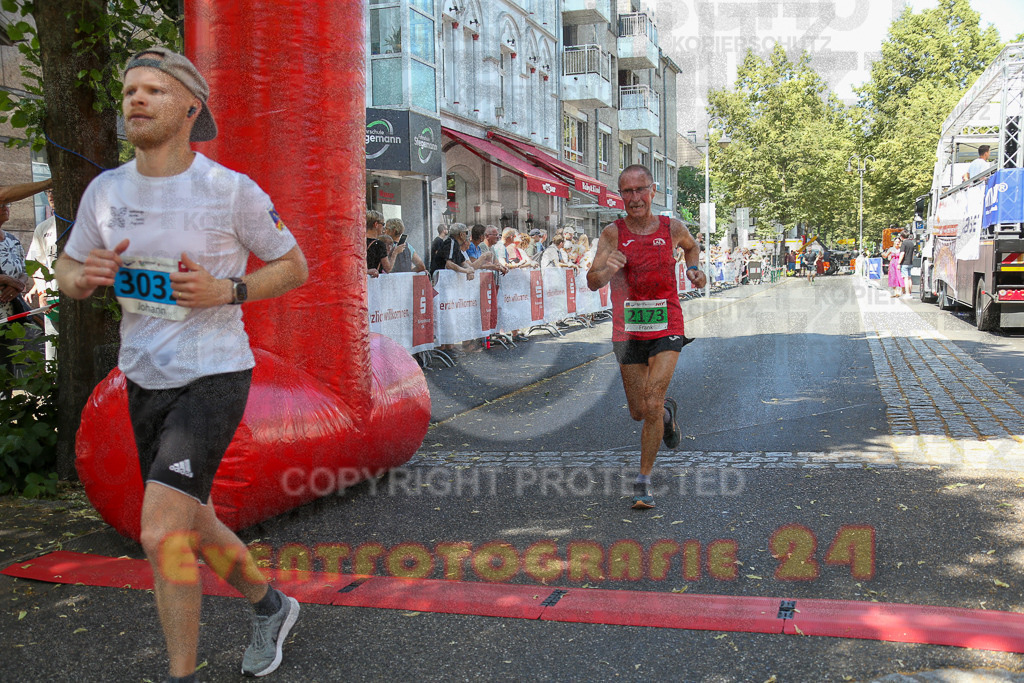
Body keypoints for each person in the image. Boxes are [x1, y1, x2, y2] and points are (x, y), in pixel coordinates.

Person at [54, 47, 308, 682]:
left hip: (214, 371)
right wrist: (82, 277)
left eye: (154, 91)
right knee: (194, 519)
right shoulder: (105, 190)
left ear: (190, 107)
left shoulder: (228, 191)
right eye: (130, 90)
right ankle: (271, 606)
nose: (136, 100)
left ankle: (180, 673)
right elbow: (66, 268)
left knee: (161, 532)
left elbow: (294, 265)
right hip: (144, 374)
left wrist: (230, 290)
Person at [586, 164, 706, 510]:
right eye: (627, 191)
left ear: (653, 191)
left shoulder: (672, 227)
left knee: (652, 400)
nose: (635, 198)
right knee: (640, 411)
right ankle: (666, 417)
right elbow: (592, 280)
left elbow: (692, 247)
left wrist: (693, 269)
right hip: (628, 330)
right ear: (620, 196)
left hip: (667, 323)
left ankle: (643, 481)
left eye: (641, 190)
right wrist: (607, 270)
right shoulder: (612, 233)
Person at [0, 202, 32, 377]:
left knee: (6, 367)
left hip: (10, 315)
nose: (5, 207)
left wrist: (17, 285)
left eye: (7, 203)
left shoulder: (13, 241)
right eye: (0, 204)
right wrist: (7, 279)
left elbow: (24, 272)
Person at [365, 210, 390, 276]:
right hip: (374, 281)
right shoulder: (379, 244)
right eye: (383, 224)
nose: (383, 228)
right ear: (376, 224)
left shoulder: (358, 242)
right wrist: (395, 253)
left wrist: (366, 271)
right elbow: (388, 269)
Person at [899, 230, 915, 297]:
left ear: (901, 236)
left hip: (904, 263)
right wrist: (911, 260)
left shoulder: (904, 243)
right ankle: (910, 292)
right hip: (910, 263)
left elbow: (902, 253)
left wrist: (899, 262)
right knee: (909, 278)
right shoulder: (911, 243)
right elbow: (913, 254)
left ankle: (907, 293)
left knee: (905, 278)